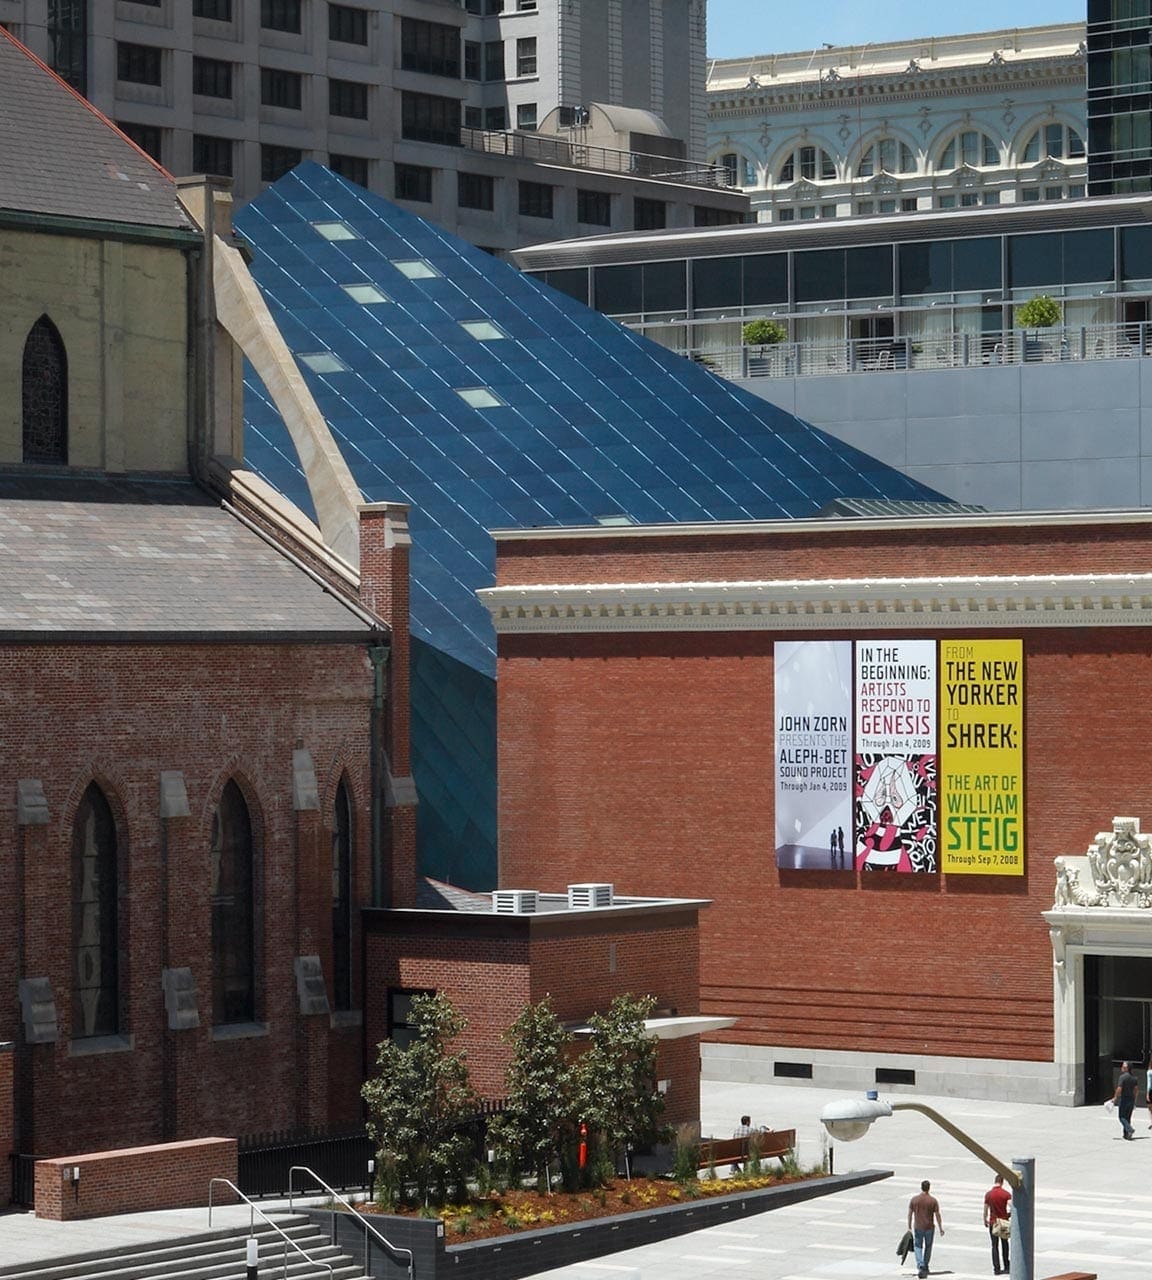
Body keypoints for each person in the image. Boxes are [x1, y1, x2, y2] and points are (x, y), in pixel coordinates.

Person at [908, 1179, 944, 1279]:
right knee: (928, 1247)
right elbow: (937, 1215)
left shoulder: (914, 1200)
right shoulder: (933, 1200)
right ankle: (925, 1265)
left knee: (918, 1246)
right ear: (929, 1188)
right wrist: (940, 1228)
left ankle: (920, 1265)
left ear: (921, 1187)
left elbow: (910, 1214)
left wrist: (909, 1227)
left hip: (918, 1227)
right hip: (929, 1228)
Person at [983, 1173, 1012, 1275]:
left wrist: (984, 1219)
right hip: (1003, 1222)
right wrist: (1009, 1214)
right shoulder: (1006, 1194)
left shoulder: (988, 1194)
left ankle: (996, 1269)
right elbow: (1012, 1206)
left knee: (994, 1246)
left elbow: (985, 1209)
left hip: (993, 1222)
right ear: (1002, 1182)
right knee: (1005, 1244)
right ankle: (1007, 1266)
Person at [1114, 1060, 1137, 1139]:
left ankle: (1130, 1129)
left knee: (1122, 1117)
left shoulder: (1122, 1077)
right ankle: (1126, 1134)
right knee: (1128, 1117)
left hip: (1124, 1099)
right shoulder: (1134, 1078)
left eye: (1123, 1066)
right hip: (1131, 1099)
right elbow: (1136, 1090)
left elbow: (1119, 1088)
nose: (1121, 1067)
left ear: (1127, 1068)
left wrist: (1115, 1097)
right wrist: (1135, 1100)